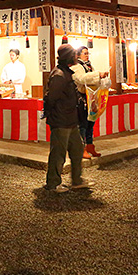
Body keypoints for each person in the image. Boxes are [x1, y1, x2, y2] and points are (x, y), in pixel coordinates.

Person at [44, 44, 96, 193]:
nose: (76, 57)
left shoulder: (66, 72)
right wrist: (53, 115)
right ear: (68, 57)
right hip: (61, 120)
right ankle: (53, 183)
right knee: (58, 153)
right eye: (73, 55)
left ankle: (77, 180)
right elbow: (51, 98)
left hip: (71, 120)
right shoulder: (59, 75)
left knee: (77, 150)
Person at [70, 46, 108, 158]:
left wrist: (101, 77)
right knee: (82, 124)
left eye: (88, 53)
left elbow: (92, 79)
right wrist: (97, 75)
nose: (87, 55)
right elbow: (81, 78)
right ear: (78, 55)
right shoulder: (76, 66)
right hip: (81, 98)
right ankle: (81, 148)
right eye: (84, 53)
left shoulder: (89, 66)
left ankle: (90, 145)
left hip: (91, 98)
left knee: (91, 122)